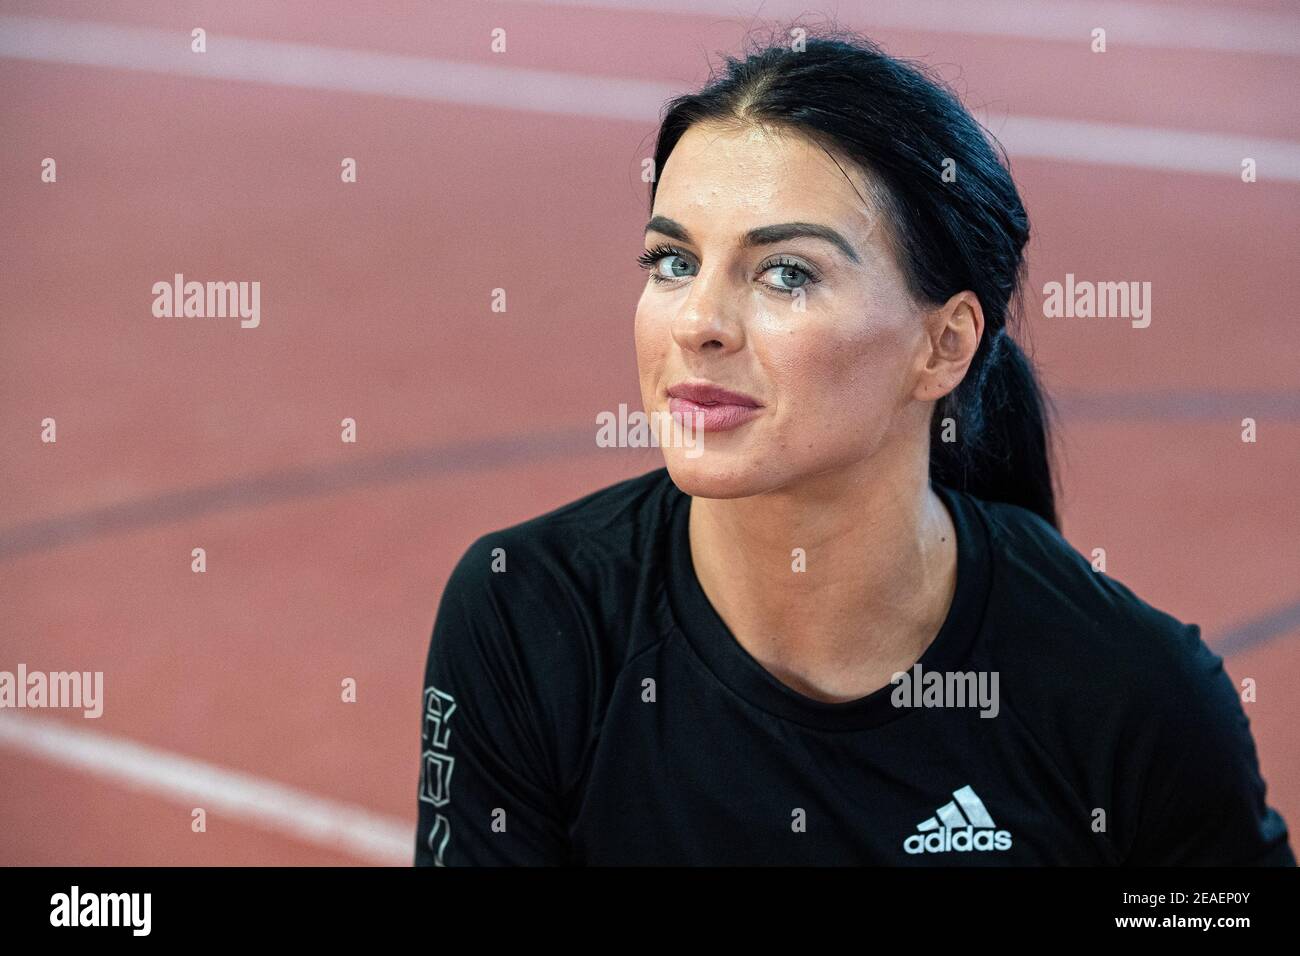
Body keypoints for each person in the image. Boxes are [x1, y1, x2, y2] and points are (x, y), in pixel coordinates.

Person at [415, 26, 1294, 866]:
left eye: (786, 273)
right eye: (672, 262)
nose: (698, 323)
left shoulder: (1130, 690)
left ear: (944, 345)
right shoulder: (529, 616)